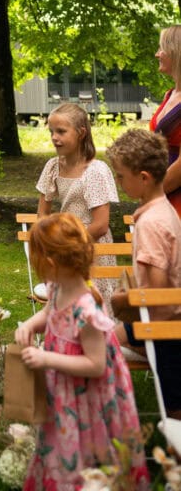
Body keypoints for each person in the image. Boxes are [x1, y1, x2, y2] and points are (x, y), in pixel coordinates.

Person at [15, 213, 149, 491]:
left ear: (51, 263)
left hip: (90, 398)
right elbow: (48, 313)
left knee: (87, 450)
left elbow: (96, 364)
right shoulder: (57, 288)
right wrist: (30, 324)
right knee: (61, 442)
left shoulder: (86, 312)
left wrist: (46, 358)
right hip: (65, 390)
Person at [107, 127, 181, 417]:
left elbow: (158, 294)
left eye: (121, 176)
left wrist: (122, 301)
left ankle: (103, 417)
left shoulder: (151, 223)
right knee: (103, 338)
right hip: (167, 320)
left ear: (143, 178)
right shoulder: (163, 210)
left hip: (165, 327)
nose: (118, 180)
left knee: (175, 412)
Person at [35, 102, 119, 312]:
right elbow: (42, 213)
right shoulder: (52, 167)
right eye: (52, 131)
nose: (55, 137)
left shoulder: (95, 171)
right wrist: (49, 243)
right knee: (65, 308)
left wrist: (68, 248)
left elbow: (100, 225)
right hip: (63, 247)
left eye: (61, 131)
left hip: (91, 249)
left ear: (81, 133)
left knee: (92, 309)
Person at [150, 25, 181, 217]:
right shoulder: (169, 95)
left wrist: (152, 194)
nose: (157, 54)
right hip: (161, 194)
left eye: (161, 48)